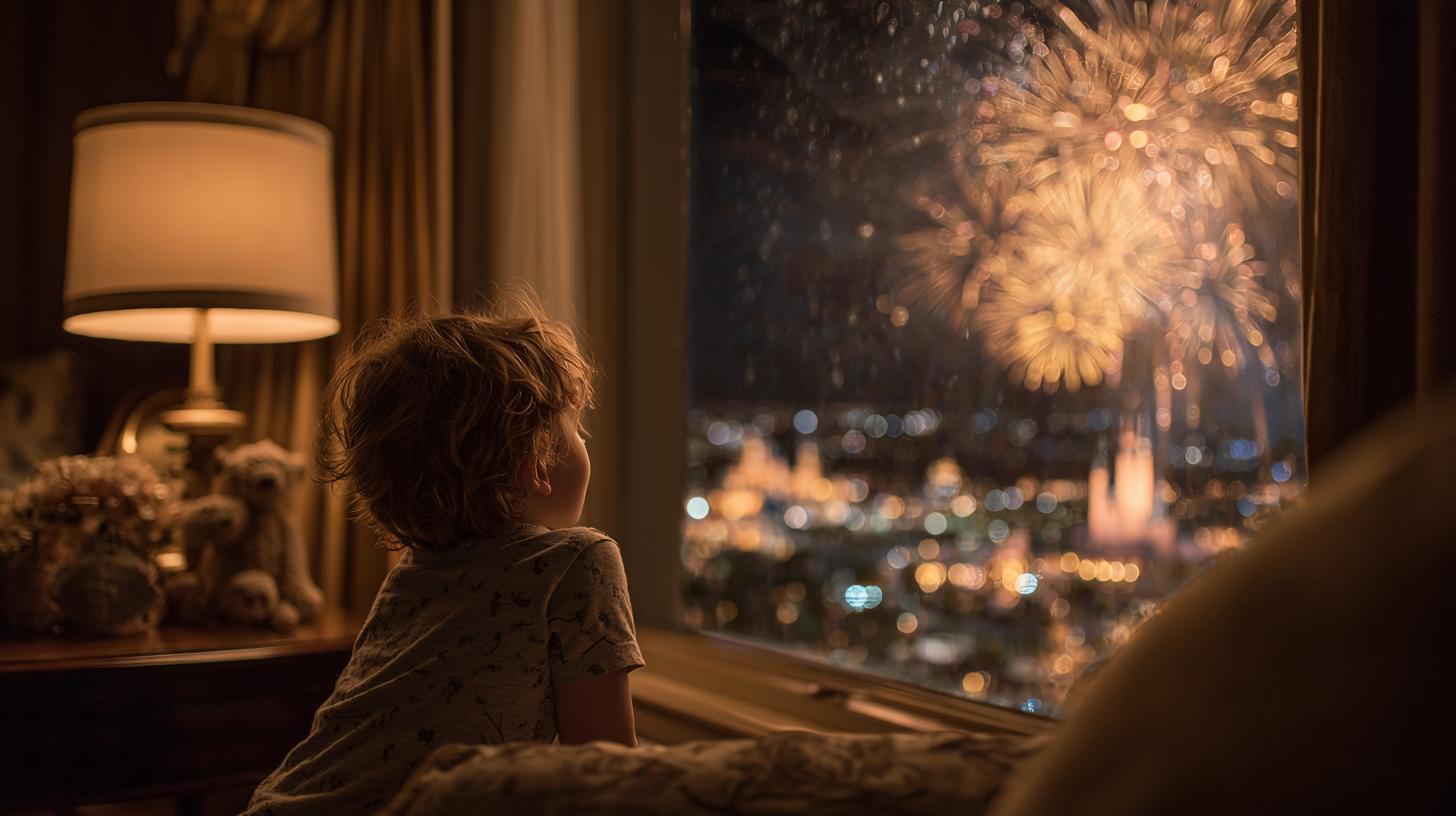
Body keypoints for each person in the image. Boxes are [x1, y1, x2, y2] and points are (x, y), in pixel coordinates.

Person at [245, 297, 643, 816]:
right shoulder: (580, 561)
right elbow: (608, 778)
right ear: (534, 460)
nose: (585, 441)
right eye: (577, 428)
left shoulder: (415, 571)